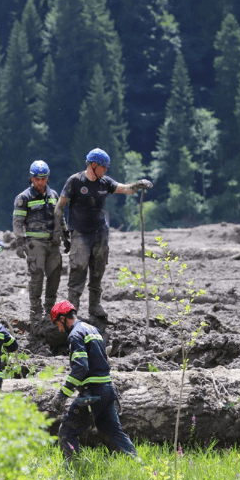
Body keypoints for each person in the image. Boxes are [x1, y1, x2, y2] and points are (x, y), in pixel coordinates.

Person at [54, 148, 153, 318]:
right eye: (103, 167)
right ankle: (72, 309)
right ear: (93, 165)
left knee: (98, 270)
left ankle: (95, 306)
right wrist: (63, 232)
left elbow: (125, 189)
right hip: (79, 233)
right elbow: (59, 207)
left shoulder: (104, 182)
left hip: (100, 233)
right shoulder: (75, 181)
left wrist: (138, 185)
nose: (106, 170)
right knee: (78, 270)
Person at [49, 300, 137, 462]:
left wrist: (63, 395)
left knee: (67, 431)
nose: (60, 329)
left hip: (92, 393)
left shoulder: (75, 335)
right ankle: (137, 464)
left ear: (63, 318)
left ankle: (73, 470)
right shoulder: (93, 330)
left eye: (58, 324)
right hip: (107, 388)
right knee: (113, 431)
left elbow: (80, 367)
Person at [13, 160, 63, 332]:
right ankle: (35, 312)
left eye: (43, 178)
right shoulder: (24, 198)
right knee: (37, 277)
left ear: (47, 178)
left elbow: (59, 217)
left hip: (53, 243)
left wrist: (65, 235)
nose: (40, 182)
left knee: (55, 276)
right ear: (31, 178)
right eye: (36, 179)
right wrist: (20, 243)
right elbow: (18, 222)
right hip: (35, 244)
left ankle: (50, 310)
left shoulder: (54, 195)